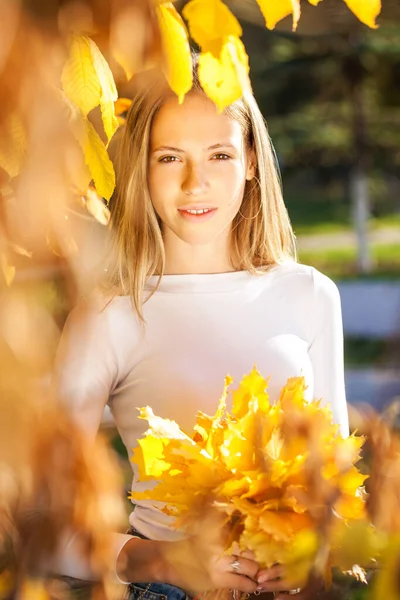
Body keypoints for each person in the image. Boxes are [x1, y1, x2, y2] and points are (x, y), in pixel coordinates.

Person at [53, 58, 349, 600]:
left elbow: (331, 487)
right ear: (142, 167)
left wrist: (316, 555)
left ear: (252, 162)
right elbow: (44, 524)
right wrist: (165, 562)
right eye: (170, 158)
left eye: (219, 155)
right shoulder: (110, 313)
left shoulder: (310, 295)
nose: (196, 183)